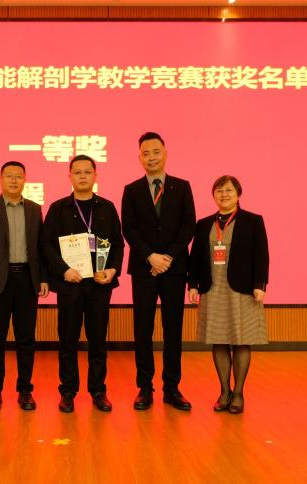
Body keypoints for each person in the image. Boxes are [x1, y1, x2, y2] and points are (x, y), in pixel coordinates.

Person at [42, 155, 124, 413]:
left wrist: (112, 270)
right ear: (69, 176)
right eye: (77, 172)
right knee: (68, 340)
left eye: (87, 172)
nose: (82, 176)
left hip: (100, 285)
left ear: (95, 175)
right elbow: (46, 245)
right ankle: (68, 391)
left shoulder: (107, 207)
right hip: (70, 285)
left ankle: (98, 391)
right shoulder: (58, 208)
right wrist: (63, 270)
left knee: (98, 340)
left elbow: (118, 244)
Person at [121, 132, 196, 411]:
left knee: (173, 329)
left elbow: (188, 226)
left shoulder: (182, 187)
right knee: (143, 329)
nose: (151, 157)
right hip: (144, 269)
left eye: (156, 152)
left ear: (165, 153)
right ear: (139, 157)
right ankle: (145, 387)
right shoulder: (132, 190)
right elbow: (129, 229)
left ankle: (172, 387)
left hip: (174, 269)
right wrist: (150, 256)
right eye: (146, 153)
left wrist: (168, 257)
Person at [187, 175, 269, 414]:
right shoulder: (203, 224)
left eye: (229, 190)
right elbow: (195, 258)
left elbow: (262, 254)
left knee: (241, 340)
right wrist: (192, 285)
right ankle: (224, 391)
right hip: (213, 288)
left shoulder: (253, 221)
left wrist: (260, 285)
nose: (224, 195)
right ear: (213, 195)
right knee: (219, 339)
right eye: (219, 191)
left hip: (243, 290)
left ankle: (239, 393)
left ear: (238, 194)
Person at [0, 161, 49, 412]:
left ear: (25, 180)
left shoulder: (34, 209)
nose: (14, 180)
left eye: (18, 176)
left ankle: (25, 390)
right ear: (0, 179)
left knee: (26, 339)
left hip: (27, 280)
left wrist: (43, 278)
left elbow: (40, 247)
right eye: (9, 176)